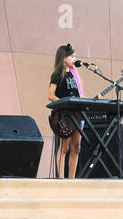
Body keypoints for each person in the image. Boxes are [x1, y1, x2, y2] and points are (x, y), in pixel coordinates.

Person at [48, 43, 83, 178]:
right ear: (64, 58)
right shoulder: (58, 74)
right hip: (64, 114)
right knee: (64, 147)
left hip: (77, 115)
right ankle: (61, 179)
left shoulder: (74, 75)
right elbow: (50, 95)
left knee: (76, 147)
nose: (74, 59)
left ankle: (72, 179)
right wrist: (64, 104)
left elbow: (78, 95)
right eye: (72, 56)